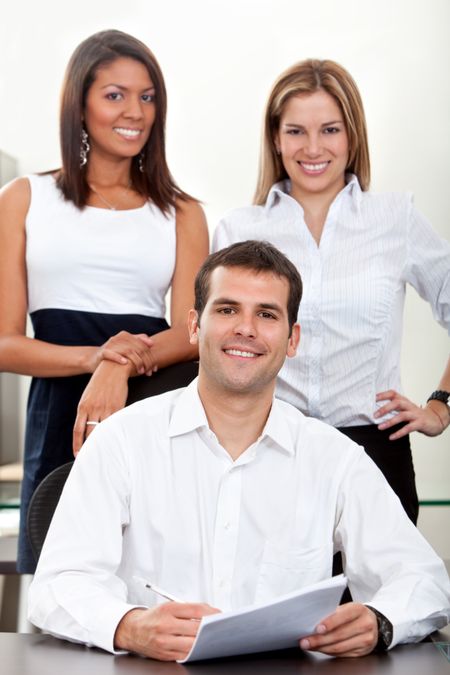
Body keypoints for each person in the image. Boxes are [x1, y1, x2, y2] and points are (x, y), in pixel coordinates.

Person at [28, 241, 450, 661]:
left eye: (267, 314)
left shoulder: (335, 458)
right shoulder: (121, 440)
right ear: (195, 326)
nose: (245, 329)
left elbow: (423, 579)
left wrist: (379, 620)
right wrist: (128, 626)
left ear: (292, 339)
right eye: (227, 310)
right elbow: (56, 584)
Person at [0, 29, 208, 573]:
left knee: (147, 580)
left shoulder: (184, 213)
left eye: (147, 96)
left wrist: (121, 368)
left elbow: (191, 333)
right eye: (115, 94)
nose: (135, 111)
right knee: (55, 577)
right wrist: (101, 360)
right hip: (57, 412)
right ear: (81, 104)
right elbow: (3, 344)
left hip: (152, 405)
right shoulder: (25, 198)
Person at [213, 59, 450, 525]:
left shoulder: (394, 219)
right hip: (267, 450)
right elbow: (212, 345)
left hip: (376, 456)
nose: (314, 148)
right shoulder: (239, 230)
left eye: (330, 130)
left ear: (352, 136)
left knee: (376, 598)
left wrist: (441, 406)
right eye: (297, 131)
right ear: (276, 139)